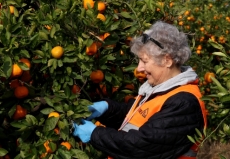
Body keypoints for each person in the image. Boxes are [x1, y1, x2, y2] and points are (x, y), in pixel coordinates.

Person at [73, 21, 207, 159]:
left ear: (167, 60)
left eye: (145, 61)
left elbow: (141, 145)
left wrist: (95, 134)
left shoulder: (184, 103)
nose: (139, 69)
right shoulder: (162, 90)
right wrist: (107, 109)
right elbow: (137, 116)